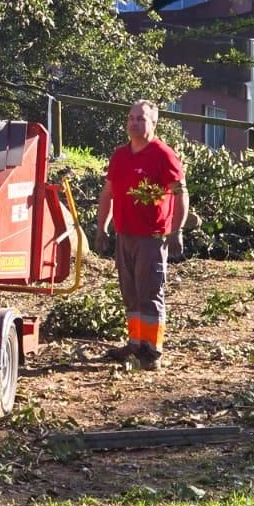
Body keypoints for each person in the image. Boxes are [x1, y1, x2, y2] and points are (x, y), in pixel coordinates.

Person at [94, 100, 189, 370]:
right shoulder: (120, 156)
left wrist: (176, 229)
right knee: (130, 293)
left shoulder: (163, 155)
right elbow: (108, 194)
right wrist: (102, 228)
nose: (134, 123)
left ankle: (152, 350)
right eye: (131, 118)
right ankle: (136, 343)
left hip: (152, 235)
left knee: (150, 292)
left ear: (153, 123)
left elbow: (181, 193)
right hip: (125, 235)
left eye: (141, 118)